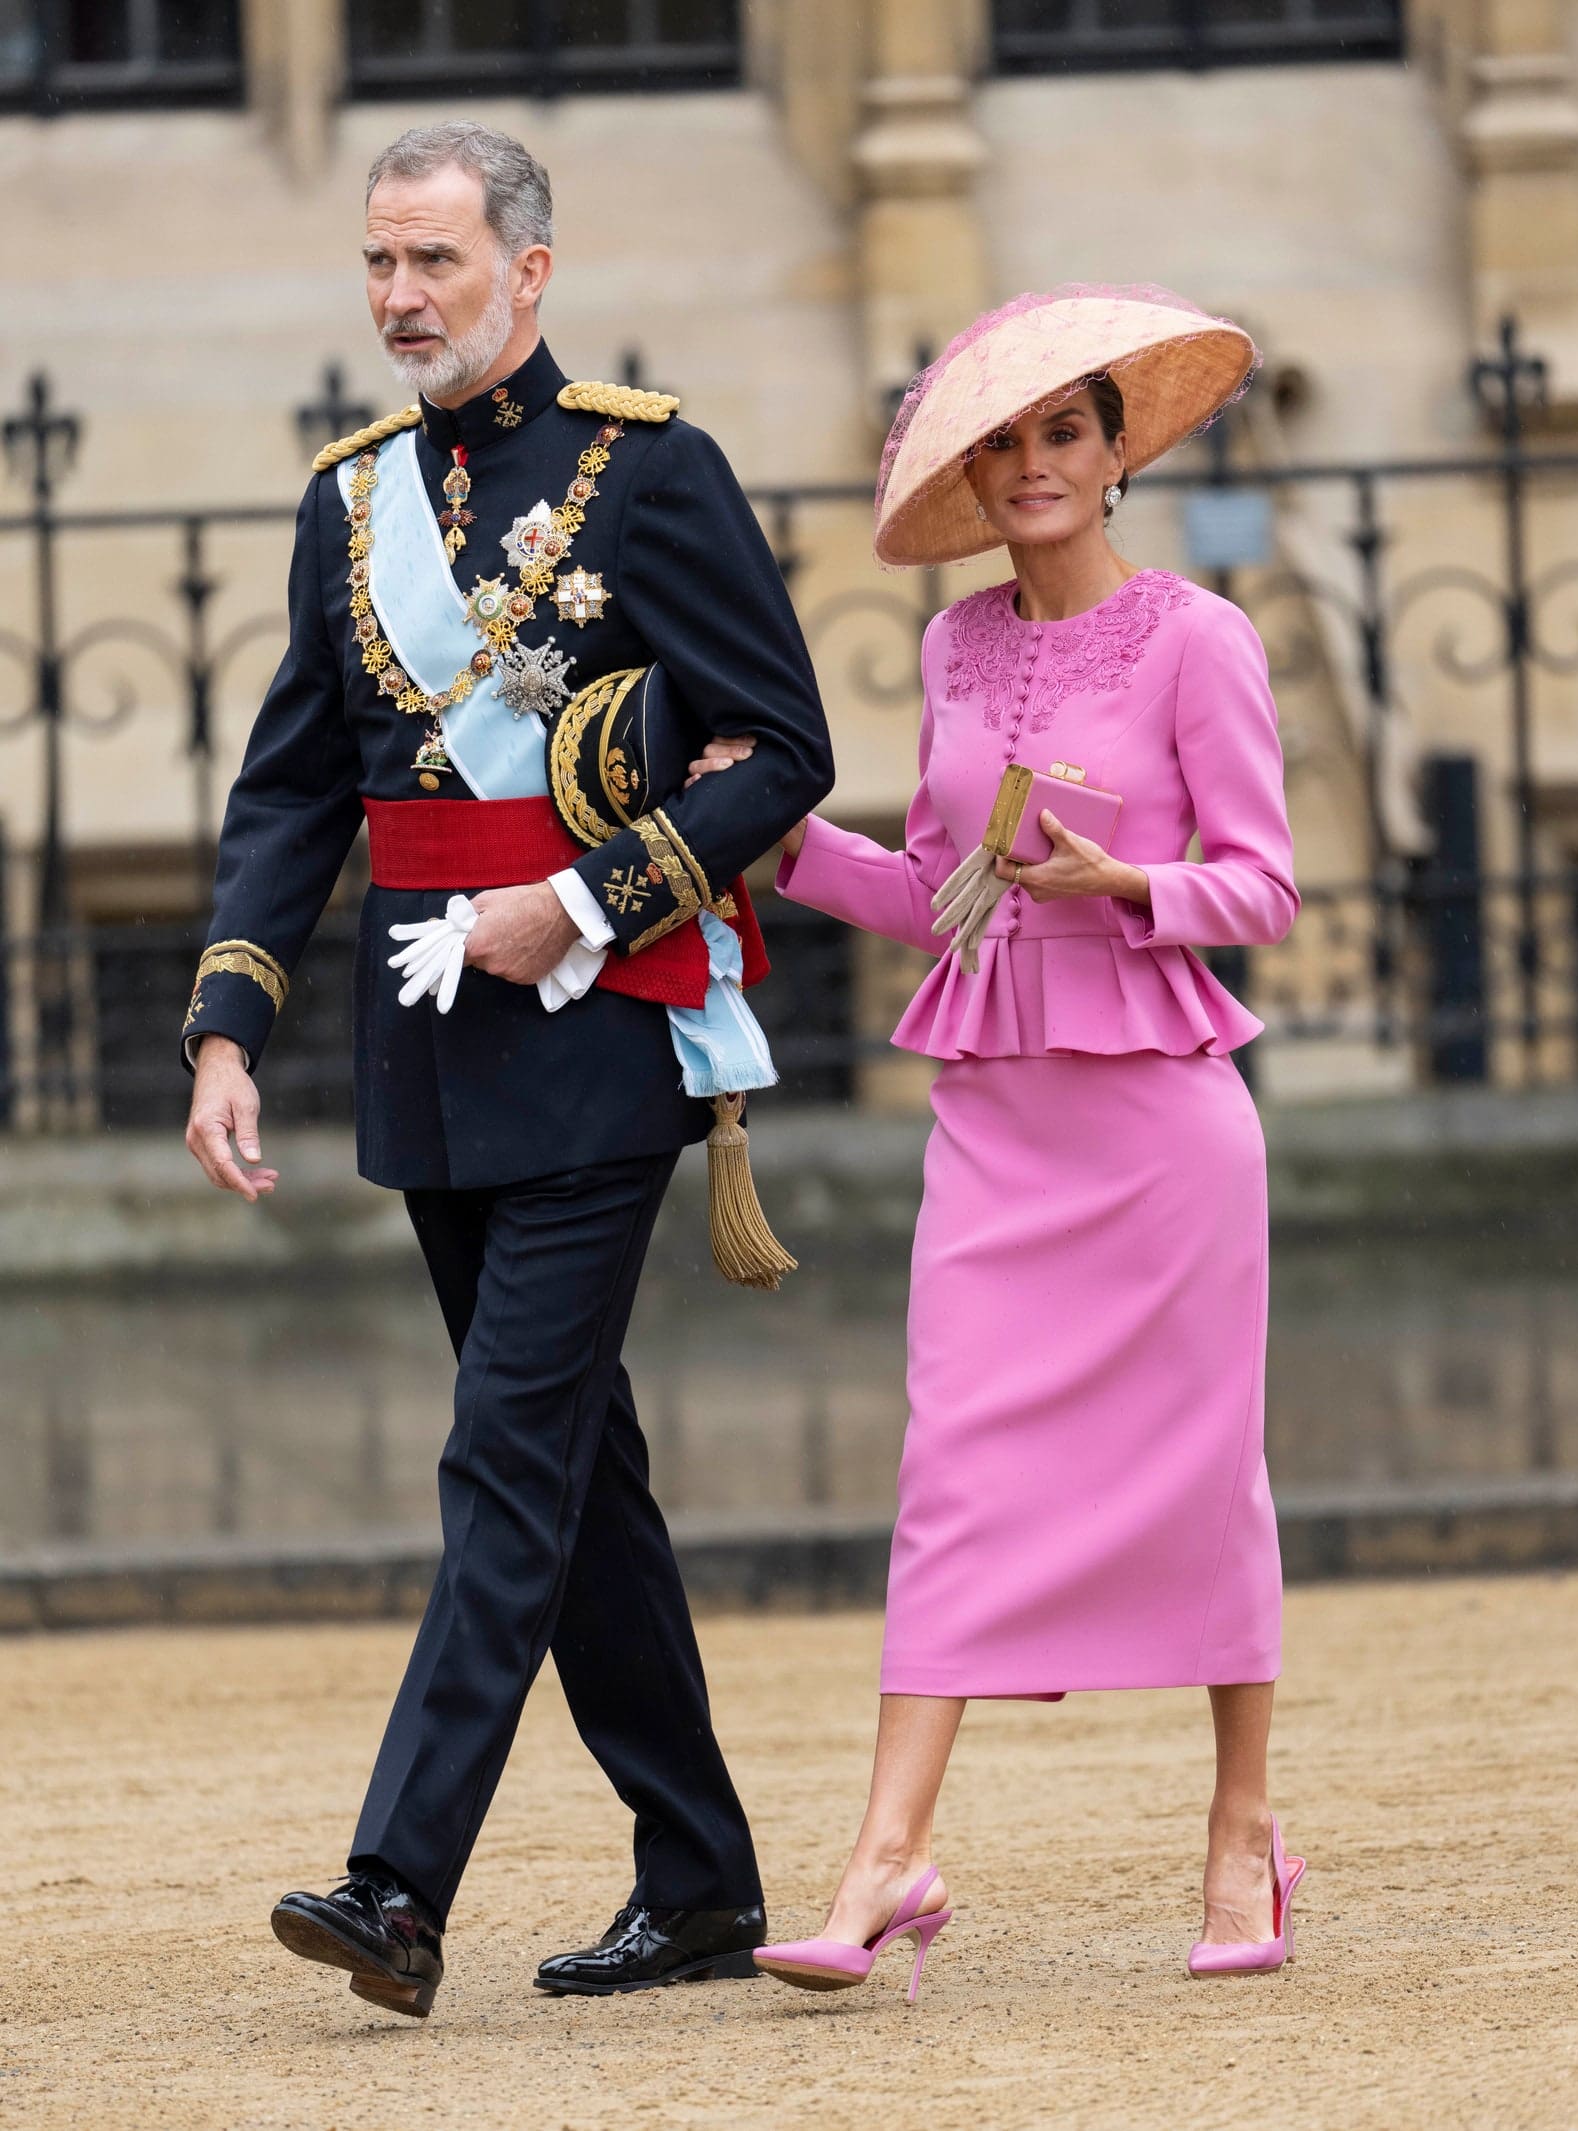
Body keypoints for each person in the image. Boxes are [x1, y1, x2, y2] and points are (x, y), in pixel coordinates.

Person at [181, 120, 833, 2018]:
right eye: (378, 266)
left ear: (528, 273)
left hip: (600, 1036)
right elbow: (297, 786)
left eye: (434, 266)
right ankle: (701, 1877)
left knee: (501, 1458)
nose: (400, 301)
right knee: (574, 1474)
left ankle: (398, 1883)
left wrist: (600, 900)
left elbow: (780, 744)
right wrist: (230, 1019)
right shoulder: (350, 498)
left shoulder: (656, 473)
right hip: (429, 1052)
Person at [696, 285, 1303, 1995]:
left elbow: (1264, 886)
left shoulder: (1201, 638)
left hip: (1165, 1128)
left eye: (1065, 432)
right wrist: (780, 835)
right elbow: (943, 898)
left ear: (1118, 456)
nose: (1035, 464)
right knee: (952, 1467)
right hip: (996, 1123)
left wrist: (1128, 885)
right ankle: (887, 1860)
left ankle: (1243, 1836)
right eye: (1008, 441)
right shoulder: (956, 648)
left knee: (1206, 1478)